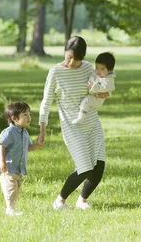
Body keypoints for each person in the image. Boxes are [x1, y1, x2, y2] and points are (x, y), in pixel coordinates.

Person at [38, 36, 109, 210]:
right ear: (65, 52)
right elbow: (46, 102)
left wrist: (103, 93)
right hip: (72, 125)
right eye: (69, 57)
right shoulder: (55, 72)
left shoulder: (87, 68)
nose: (71, 62)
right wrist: (42, 128)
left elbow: (98, 87)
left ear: (83, 58)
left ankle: (82, 200)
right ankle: (59, 201)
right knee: (84, 167)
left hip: (92, 122)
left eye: (76, 60)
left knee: (99, 166)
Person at [0, 101, 44, 216]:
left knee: (16, 188)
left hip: (18, 167)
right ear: (14, 118)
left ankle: (12, 207)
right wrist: (2, 162)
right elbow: (1, 145)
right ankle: (9, 209)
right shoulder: (9, 132)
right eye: (25, 115)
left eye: (29, 114)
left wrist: (37, 145)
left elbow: (28, 148)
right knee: (10, 188)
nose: (29, 117)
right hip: (8, 167)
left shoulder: (24, 132)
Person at [72, 52, 116, 124]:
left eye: (102, 69)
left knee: (86, 101)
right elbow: (92, 77)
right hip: (94, 93)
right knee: (86, 102)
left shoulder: (109, 79)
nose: (98, 71)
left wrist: (93, 86)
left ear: (110, 70)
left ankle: (81, 118)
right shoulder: (96, 73)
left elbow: (104, 87)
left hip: (98, 98)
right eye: (96, 67)